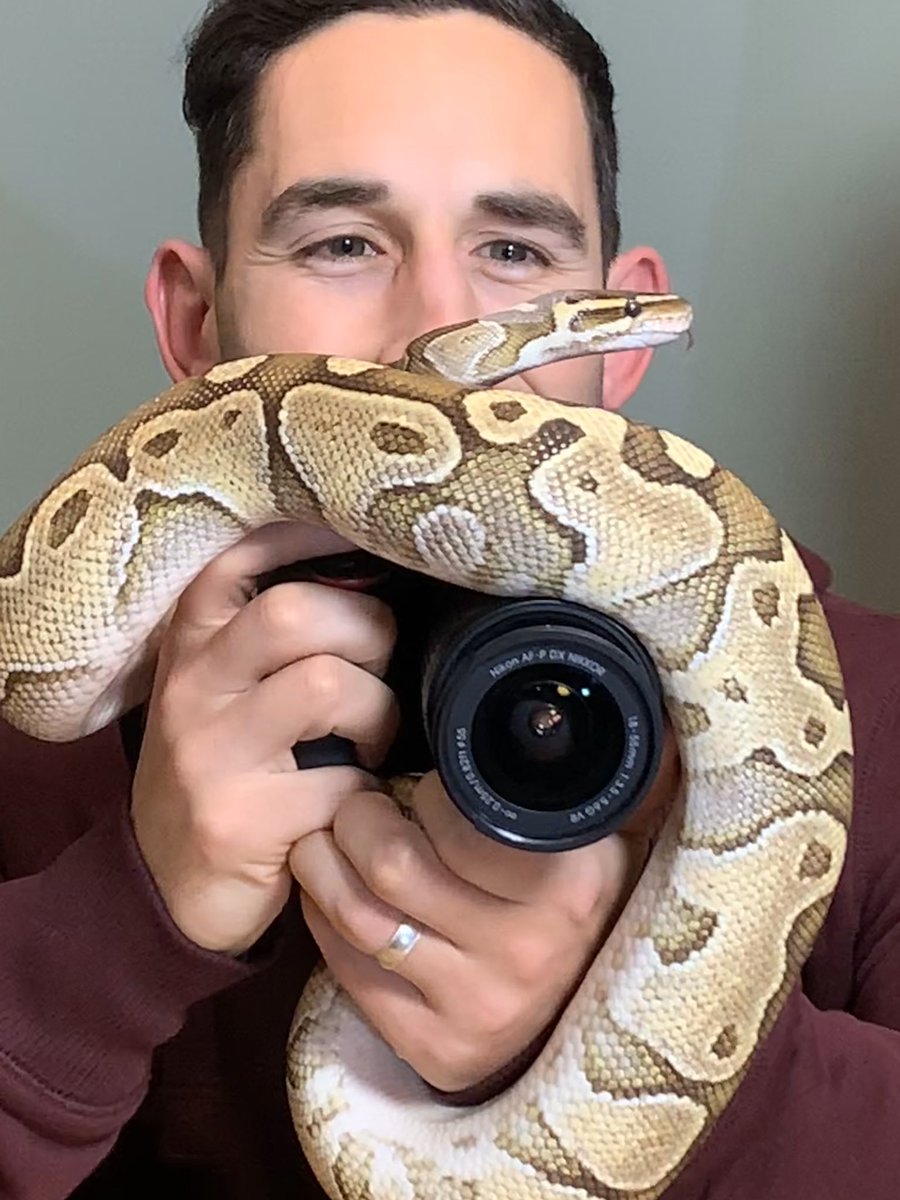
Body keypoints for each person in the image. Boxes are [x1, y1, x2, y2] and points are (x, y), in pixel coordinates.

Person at [1, 1, 899, 1197]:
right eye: (341, 244)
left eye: (516, 256)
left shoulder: (871, 711)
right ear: (198, 325)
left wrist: (629, 1055)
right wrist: (126, 917)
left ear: (617, 339)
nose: (439, 324)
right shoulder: (32, 762)